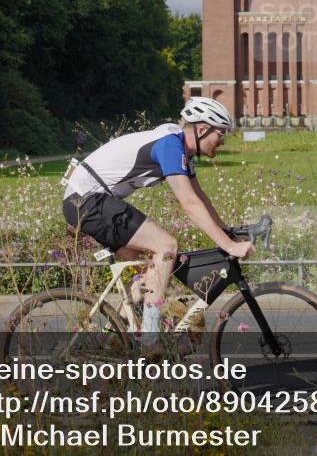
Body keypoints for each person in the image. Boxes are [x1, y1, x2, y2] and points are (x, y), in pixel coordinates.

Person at [62, 97, 254, 347]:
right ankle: (150, 341)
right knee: (166, 247)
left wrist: (227, 232)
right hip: (87, 201)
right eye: (220, 133)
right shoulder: (170, 146)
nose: (223, 140)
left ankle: (113, 339)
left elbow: (200, 198)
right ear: (202, 129)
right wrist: (229, 247)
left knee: (151, 271)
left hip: (91, 201)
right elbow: (189, 204)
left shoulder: (181, 148)